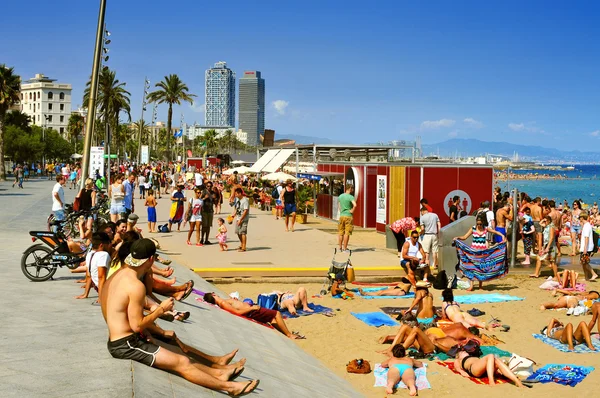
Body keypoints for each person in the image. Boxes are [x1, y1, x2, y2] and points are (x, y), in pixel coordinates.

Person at [100, 239, 259, 396]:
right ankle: (230, 388)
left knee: (177, 351)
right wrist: (160, 310)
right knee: (181, 362)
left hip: (121, 339)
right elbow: (136, 325)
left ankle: (219, 374)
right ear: (151, 259)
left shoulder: (117, 275)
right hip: (126, 345)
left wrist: (145, 333)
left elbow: (113, 311)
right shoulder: (136, 285)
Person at [203, 292, 302, 340]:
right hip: (252, 311)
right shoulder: (223, 303)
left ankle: (286, 334)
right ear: (213, 295)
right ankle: (289, 334)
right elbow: (236, 312)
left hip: (251, 310)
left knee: (272, 319)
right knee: (277, 314)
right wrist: (252, 308)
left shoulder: (223, 302)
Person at [454, 215, 506, 290]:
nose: (479, 225)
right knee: (472, 268)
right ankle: (471, 285)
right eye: (478, 224)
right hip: (473, 252)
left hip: (482, 252)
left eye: (480, 224)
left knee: (481, 268)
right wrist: (458, 238)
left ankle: (480, 285)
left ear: (483, 223)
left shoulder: (485, 229)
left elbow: (495, 231)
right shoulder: (473, 229)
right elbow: (465, 237)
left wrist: (502, 235)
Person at [454, 348, 524, 387]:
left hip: (484, 369)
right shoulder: (458, 360)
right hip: (473, 369)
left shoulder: (472, 356)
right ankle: (491, 380)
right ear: (459, 356)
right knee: (490, 355)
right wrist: (462, 372)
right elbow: (457, 368)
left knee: (496, 360)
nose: (465, 352)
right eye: (462, 352)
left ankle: (517, 381)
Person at [579, 212, 599, 281]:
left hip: (587, 247)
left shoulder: (587, 226)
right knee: (584, 263)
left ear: (582, 218)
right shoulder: (586, 225)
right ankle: (586, 277)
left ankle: (593, 274)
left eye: (580, 218)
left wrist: (585, 249)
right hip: (586, 247)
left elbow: (586, 238)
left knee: (584, 262)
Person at [338, 185, 357, 252]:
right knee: (347, 233)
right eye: (352, 188)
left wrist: (342, 212)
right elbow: (355, 205)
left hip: (342, 216)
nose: (353, 190)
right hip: (348, 216)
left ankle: (340, 248)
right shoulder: (351, 197)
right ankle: (345, 248)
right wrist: (352, 210)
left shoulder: (340, 196)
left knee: (341, 232)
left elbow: (339, 206)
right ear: (350, 188)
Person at [231, 187, 249, 252]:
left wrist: (241, 219)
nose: (235, 195)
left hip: (244, 219)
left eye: (236, 194)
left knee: (243, 232)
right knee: (238, 232)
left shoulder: (245, 200)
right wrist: (233, 216)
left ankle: (244, 247)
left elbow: (245, 211)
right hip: (238, 218)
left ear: (240, 193)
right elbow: (236, 209)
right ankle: (241, 244)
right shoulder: (238, 200)